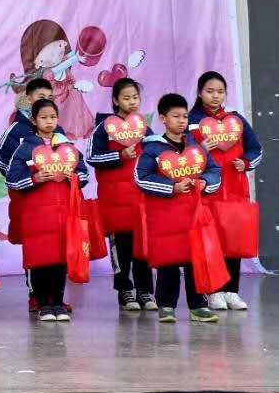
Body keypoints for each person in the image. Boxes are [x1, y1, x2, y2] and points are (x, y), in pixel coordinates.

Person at [136, 92, 222, 323]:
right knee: (169, 260)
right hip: (165, 216)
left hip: (194, 214)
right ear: (163, 119)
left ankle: (199, 306)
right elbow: (141, 178)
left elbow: (215, 170)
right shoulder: (153, 148)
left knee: (196, 259)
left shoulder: (195, 147)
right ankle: (166, 306)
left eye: (184, 116)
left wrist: (205, 183)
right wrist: (172, 187)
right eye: (176, 116)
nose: (182, 120)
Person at [6, 99, 88, 323]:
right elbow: (12, 179)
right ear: (34, 120)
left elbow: (84, 173)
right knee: (40, 260)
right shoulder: (26, 147)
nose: (49, 121)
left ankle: (59, 303)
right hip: (37, 216)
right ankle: (43, 304)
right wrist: (35, 178)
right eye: (43, 117)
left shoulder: (67, 147)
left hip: (63, 215)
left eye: (53, 117)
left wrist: (74, 178)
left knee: (60, 261)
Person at [188, 70, 261, 313]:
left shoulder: (236, 120)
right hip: (208, 192)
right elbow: (181, 156)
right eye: (210, 91)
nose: (215, 96)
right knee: (211, 242)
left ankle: (232, 291)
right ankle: (214, 291)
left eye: (220, 91)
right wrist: (200, 148)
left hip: (236, 191)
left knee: (234, 241)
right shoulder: (191, 121)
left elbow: (256, 149)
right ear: (200, 93)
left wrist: (246, 163)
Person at [89, 78, 155, 313]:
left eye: (135, 97)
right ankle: (125, 290)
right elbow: (92, 157)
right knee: (122, 248)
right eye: (126, 98)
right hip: (114, 201)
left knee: (143, 246)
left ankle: (145, 291)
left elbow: (158, 155)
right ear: (116, 100)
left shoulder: (145, 128)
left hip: (141, 199)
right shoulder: (103, 128)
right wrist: (120, 156)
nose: (132, 102)